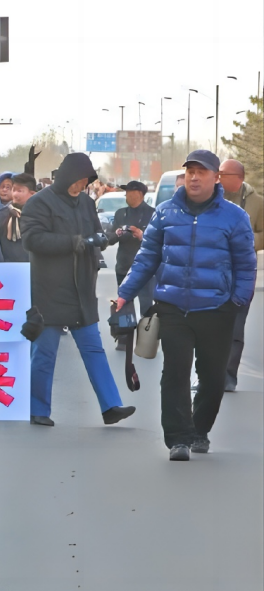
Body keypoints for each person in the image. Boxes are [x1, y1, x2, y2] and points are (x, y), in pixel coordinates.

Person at [115, 150, 256, 460]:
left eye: (201, 172)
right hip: (173, 306)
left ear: (215, 177)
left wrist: (237, 301)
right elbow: (147, 258)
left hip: (216, 309)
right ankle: (178, 438)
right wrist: (125, 292)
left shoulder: (234, 217)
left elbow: (246, 266)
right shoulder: (165, 213)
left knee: (213, 377)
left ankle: (200, 430)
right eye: (190, 171)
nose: (194, 176)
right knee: (175, 372)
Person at [21, 152, 135, 428]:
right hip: (49, 288)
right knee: (45, 353)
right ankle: (37, 408)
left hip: (82, 288)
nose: (80, 186)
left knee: (94, 348)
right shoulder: (39, 202)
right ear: (65, 177)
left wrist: (102, 239)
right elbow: (33, 240)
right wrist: (74, 242)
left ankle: (111, 406)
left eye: (85, 181)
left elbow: (94, 233)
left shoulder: (85, 202)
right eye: (77, 180)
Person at [219, 158, 262, 391]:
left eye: (225, 174)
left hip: (242, 273)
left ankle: (228, 377)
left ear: (240, 178)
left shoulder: (257, 203)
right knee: (209, 326)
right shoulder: (212, 199)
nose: (220, 178)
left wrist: (246, 240)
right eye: (219, 174)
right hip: (214, 272)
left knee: (236, 327)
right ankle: (206, 376)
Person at [111, 181, 156, 330]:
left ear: (139, 194)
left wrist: (141, 236)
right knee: (124, 304)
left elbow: (159, 241)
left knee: (146, 305)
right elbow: (109, 238)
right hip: (124, 267)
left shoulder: (152, 213)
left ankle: (146, 338)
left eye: (130, 193)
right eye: (126, 193)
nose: (127, 196)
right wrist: (116, 234)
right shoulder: (120, 213)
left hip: (145, 269)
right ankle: (124, 336)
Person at [0, 172, 34, 262]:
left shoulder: (42, 217)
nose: (15, 194)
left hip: (36, 270)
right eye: (14, 190)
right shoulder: (1, 216)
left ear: (32, 193)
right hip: (8, 270)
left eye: (19, 191)